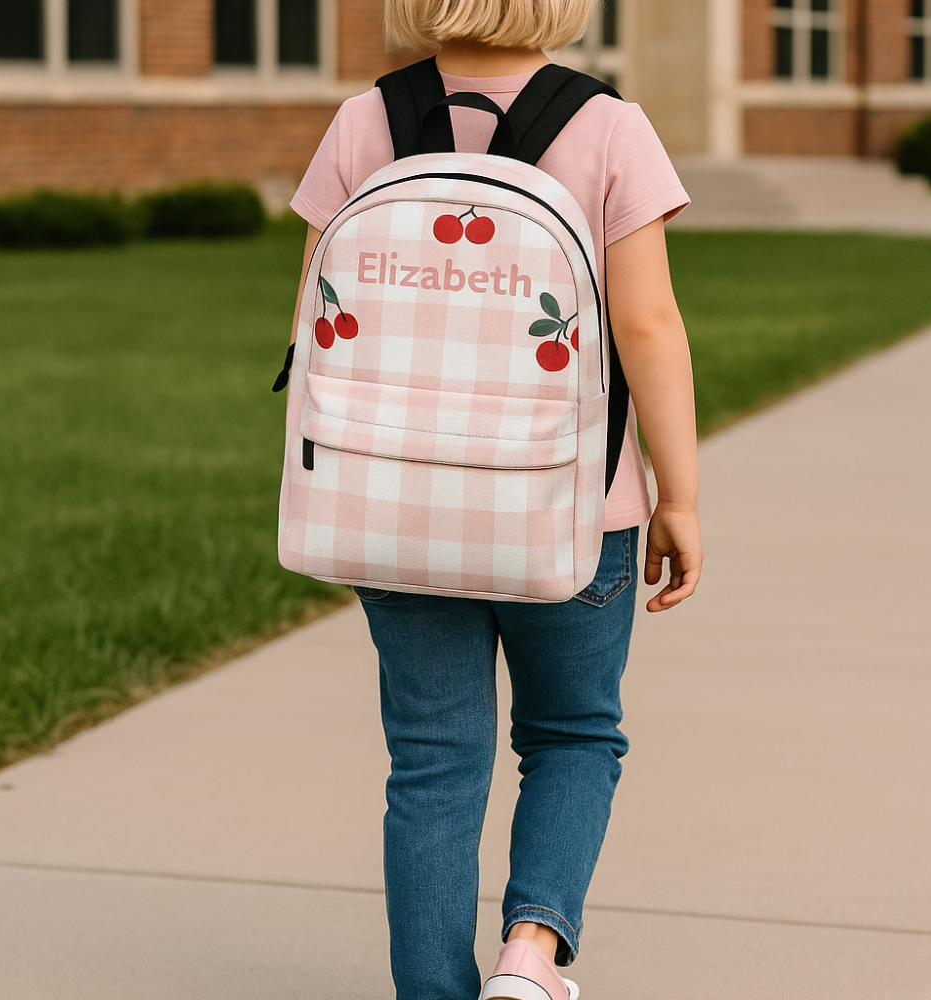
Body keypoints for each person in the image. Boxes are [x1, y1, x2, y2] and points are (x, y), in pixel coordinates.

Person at [285, 2, 702, 997]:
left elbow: (317, 322)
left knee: (430, 765)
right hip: (569, 506)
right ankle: (531, 953)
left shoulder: (363, 123)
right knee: (571, 734)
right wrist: (678, 493)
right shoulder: (608, 127)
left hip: (394, 510)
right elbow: (645, 325)